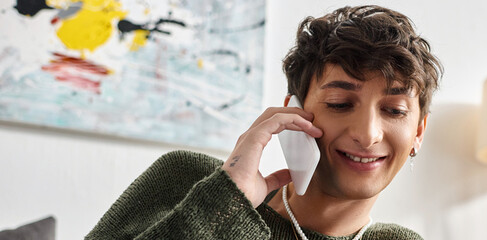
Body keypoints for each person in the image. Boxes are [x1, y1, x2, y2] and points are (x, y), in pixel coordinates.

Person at [86, 5, 441, 240]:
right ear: (294, 114)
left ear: (418, 133)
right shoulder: (184, 179)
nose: (367, 134)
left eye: (394, 110)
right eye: (340, 103)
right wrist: (224, 204)